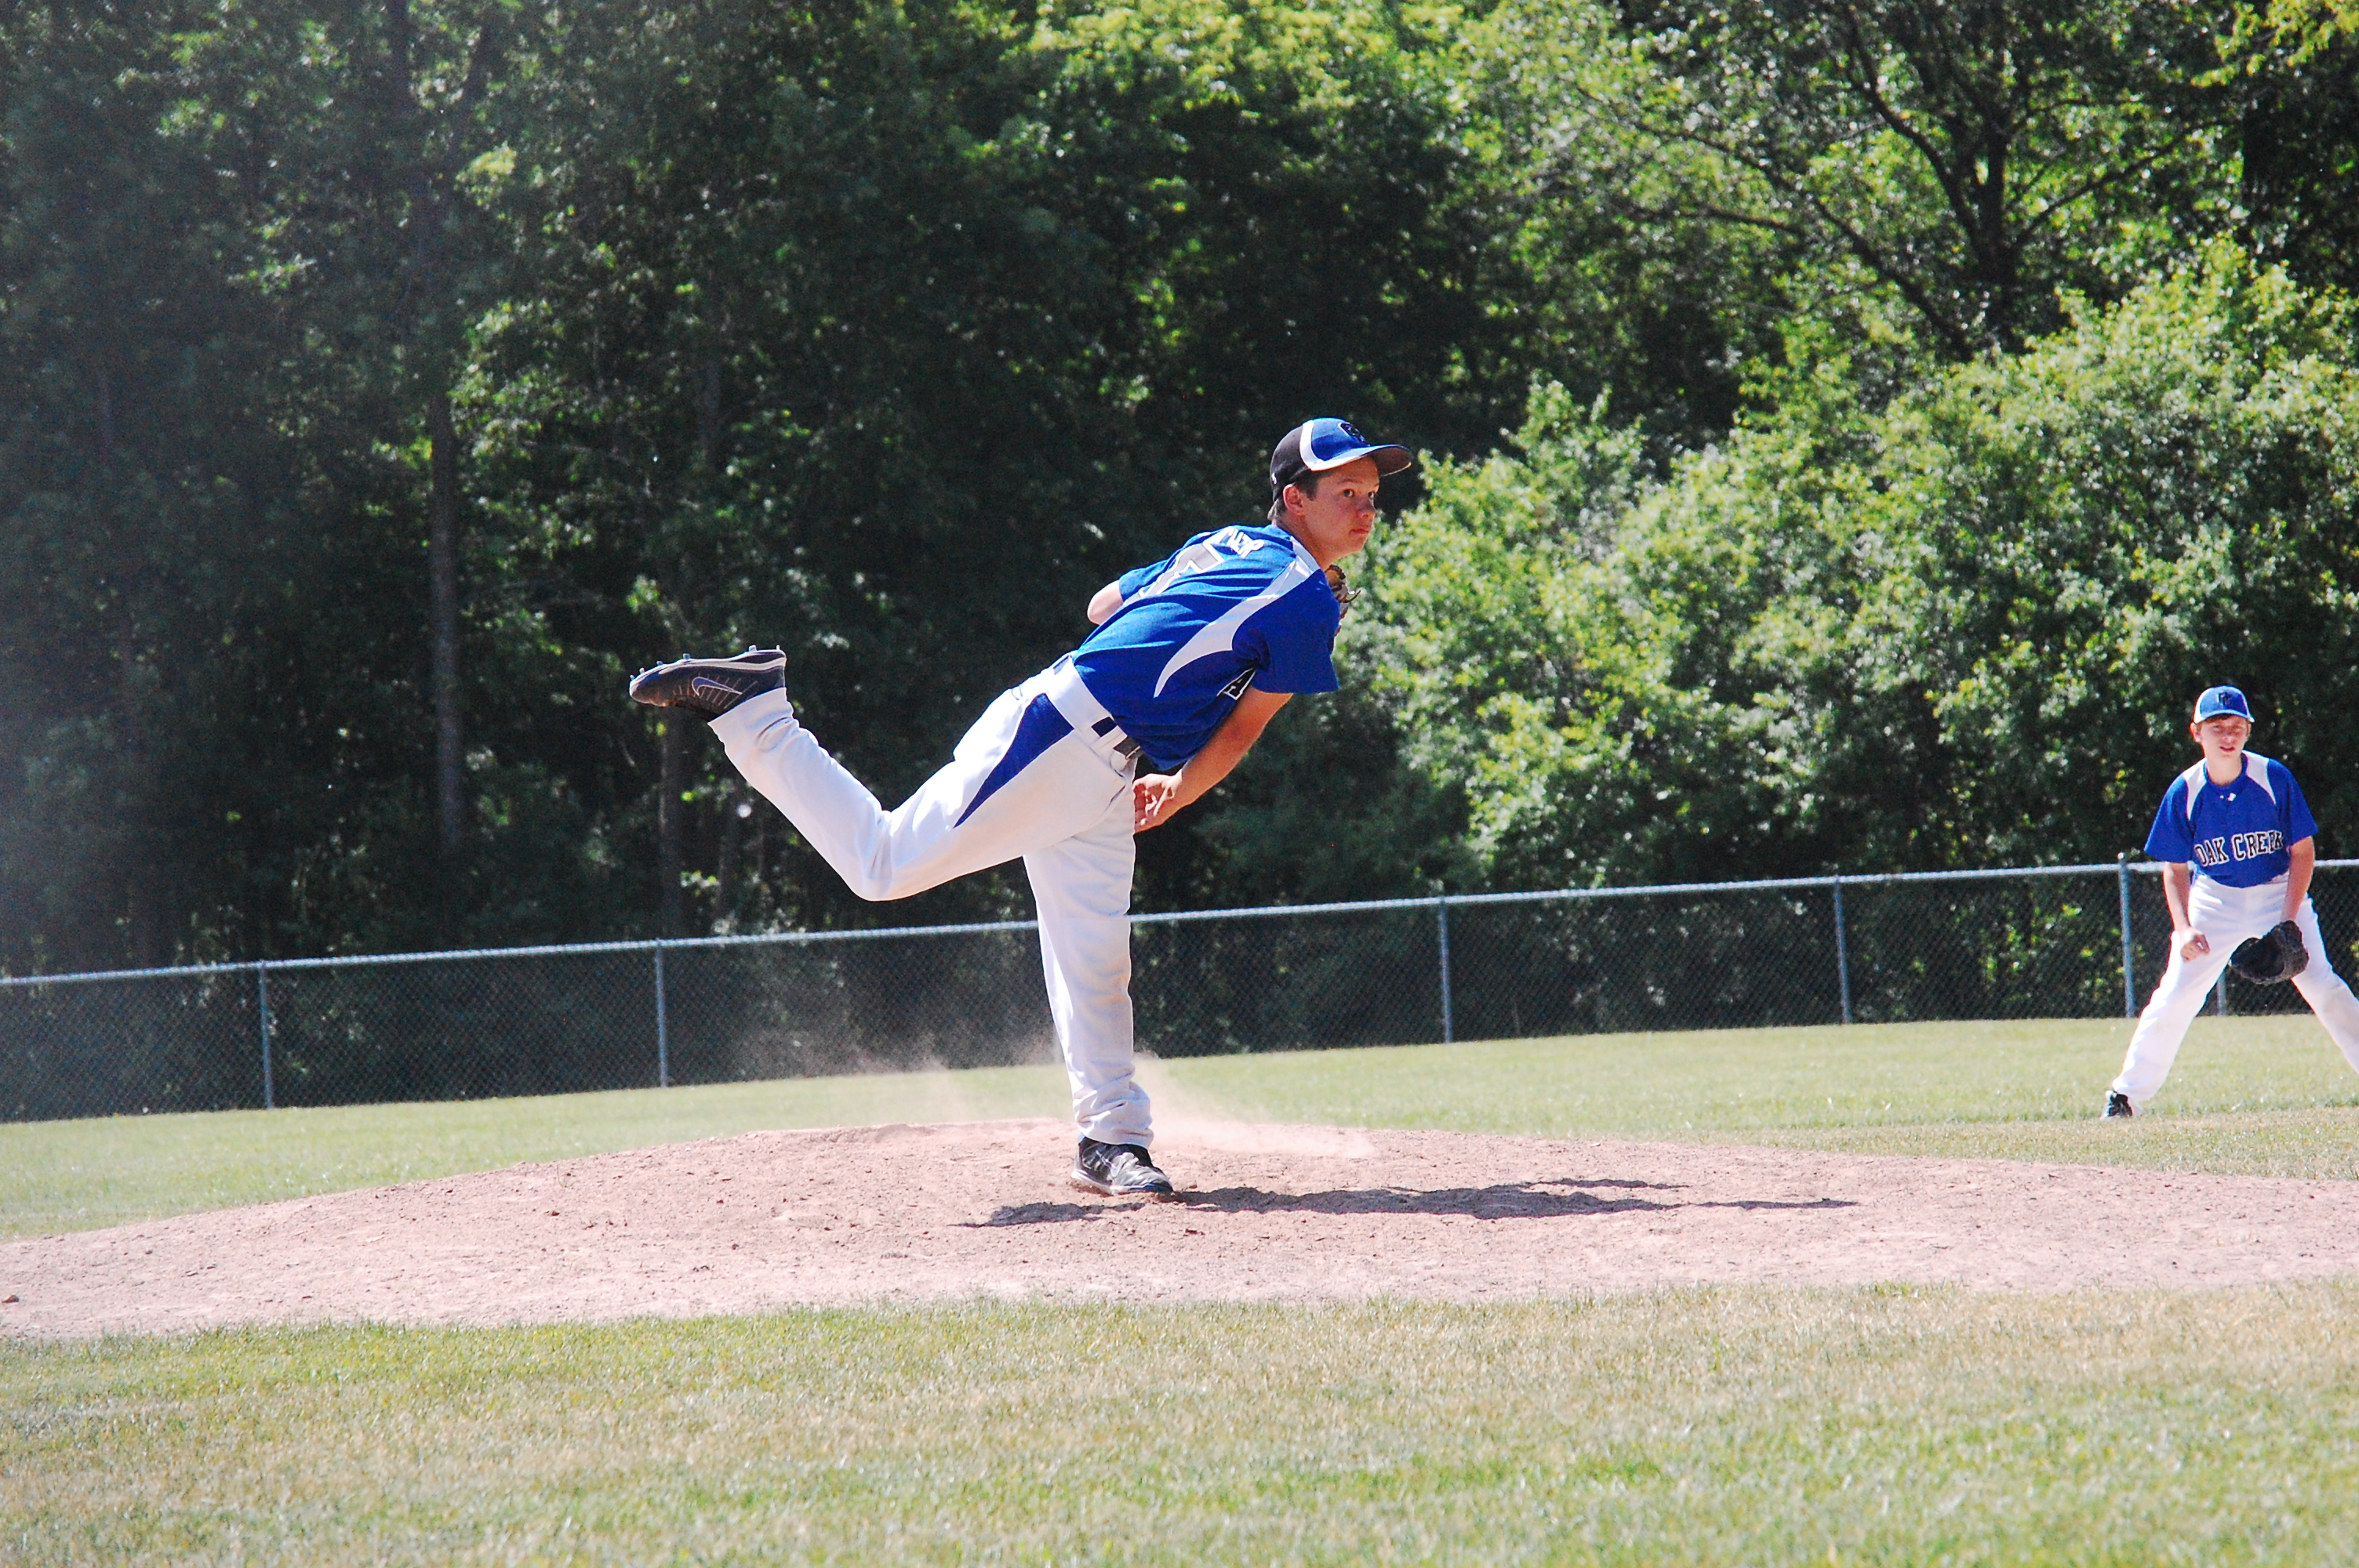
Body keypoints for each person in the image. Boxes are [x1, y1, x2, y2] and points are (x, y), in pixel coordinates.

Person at [629, 419, 1412, 1192]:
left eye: (1371, 494)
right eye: (1344, 491)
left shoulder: (1226, 545)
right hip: (1058, 739)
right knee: (881, 864)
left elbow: (1102, 604)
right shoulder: (1305, 596)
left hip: (1100, 761)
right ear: (1294, 498)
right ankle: (758, 714)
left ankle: (1110, 1141)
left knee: (1094, 961)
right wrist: (1178, 788)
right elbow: (1241, 730)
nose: (1364, 509)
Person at [2106, 684, 2359, 1117]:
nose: (2228, 735)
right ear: (2197, 733)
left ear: (2248, 732)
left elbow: (2302, 853)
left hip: (2277, 891)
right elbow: (2175, 869)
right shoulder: (2185, 790)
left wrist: (2287, 921)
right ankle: (2125, 1097)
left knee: (2323, 986)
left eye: (2237, 727)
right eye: (2217, 726)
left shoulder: (2272, 778)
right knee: (2176, 994)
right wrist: (2184, 928)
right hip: (2214, 900)